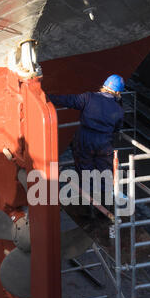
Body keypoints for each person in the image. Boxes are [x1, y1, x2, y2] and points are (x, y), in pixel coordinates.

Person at [48, 75, 125, 209]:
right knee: (104, 173)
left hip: (85, 138)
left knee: (85, 172)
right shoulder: (118, 109)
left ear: (104, 86)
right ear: (118, 92)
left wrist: (46, 97)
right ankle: (104, 207)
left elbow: (67, 100)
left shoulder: (88, 98)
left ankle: (87, 206)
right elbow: (117, 128)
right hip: (104, 142)